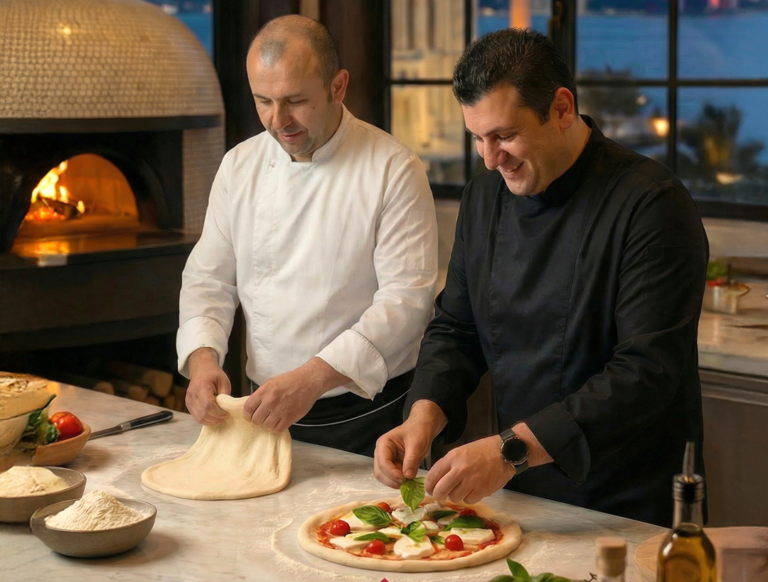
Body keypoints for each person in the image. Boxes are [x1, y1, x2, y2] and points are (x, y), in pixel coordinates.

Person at [373, 28, 708, 527]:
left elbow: (645, 372)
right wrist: (424, 413)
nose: (490, 159)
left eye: (505, 136)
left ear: (562, 108)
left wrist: (508, 450)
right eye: (478, 138)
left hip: (629, 502)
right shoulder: (483, 199)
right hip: (523, 493)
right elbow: (457, 329)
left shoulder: (651, 203)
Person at [178, 15, 438, 457]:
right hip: (260, 410)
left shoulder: (393, 169)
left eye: (296, 101)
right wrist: (203, 360)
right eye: (263, 101)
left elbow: (406, 302)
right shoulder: (239, 166)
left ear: (338, 86)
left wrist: (313, 378)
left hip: (364, 418)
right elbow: (210, 277)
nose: (278, 121)